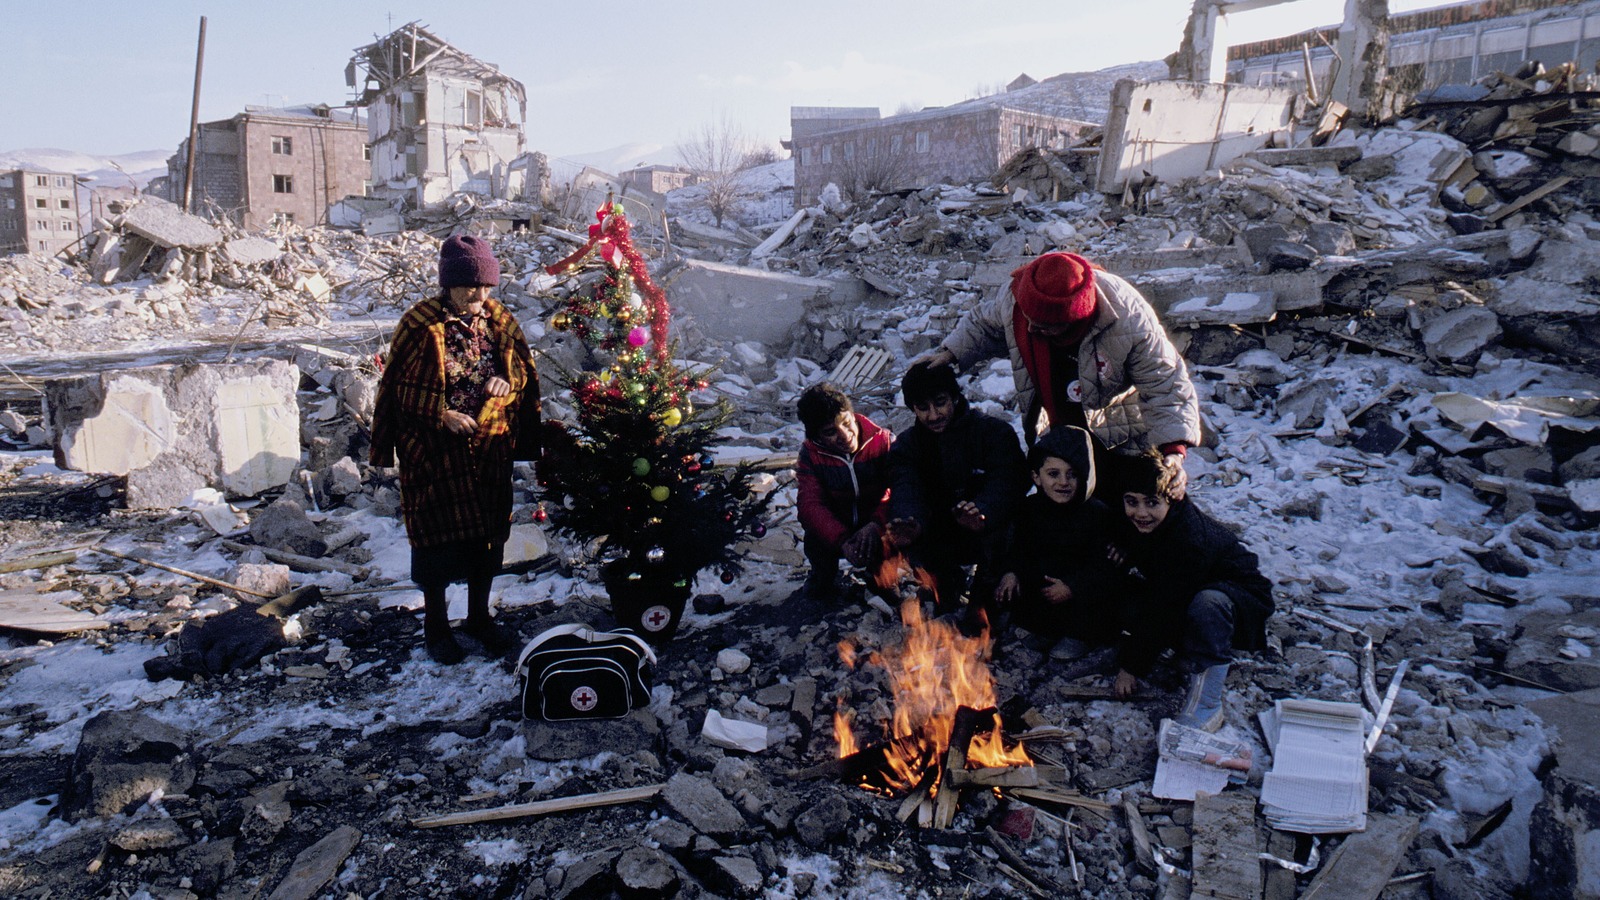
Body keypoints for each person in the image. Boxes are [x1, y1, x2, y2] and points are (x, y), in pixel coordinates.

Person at [371, 234, 538, 665]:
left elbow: (522, 371)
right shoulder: (420, 323)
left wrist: (507, 381)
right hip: (434, 452)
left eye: (486, 288)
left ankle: (480, 618)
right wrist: (440, 413)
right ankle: (436, 628)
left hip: (488, 450)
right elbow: (396, 391)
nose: (479, 297)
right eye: (470, 288)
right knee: (435, 545)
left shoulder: (499, 319)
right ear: (448, 284)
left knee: (487, 538)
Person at [919, 251, 1201, 495]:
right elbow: (984, 324)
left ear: (1073, 319)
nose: (1030, 330)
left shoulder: (1127, 315)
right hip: (1058, 424)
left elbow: (1165, 384)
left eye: (1043, 326)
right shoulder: (1016, 297)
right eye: (1028, 320)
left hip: (1116, 428)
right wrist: (951, 352)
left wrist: (1173, 450)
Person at [1108, 451, 1273, 731]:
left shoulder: (1188, 539)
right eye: (1131, 502)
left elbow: (1165, 605)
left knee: (1207, 604)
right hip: (1186, 590)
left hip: (1238, 599)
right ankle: (1185, 649)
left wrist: (1131, 667)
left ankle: (1207, 703)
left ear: (1171, 499)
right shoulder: (1138, 521)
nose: (1141, 513)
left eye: (1152, 503)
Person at [885, 364, 1028, 622]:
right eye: (922, 408)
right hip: (941, 529)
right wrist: (910, 521)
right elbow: (906, 488)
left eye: (940, 403)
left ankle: (985, 601)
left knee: (1004, 532)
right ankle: (944, 585)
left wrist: (983, 511)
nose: (933, 415)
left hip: (986, 529)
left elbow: (1010, 481)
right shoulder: (907, 447)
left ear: (955, 397)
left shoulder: (994, 432)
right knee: (912, 532)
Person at [993, 425, 1120, 655]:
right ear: (1036, 477)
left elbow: (1104, 566)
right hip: (1046, 591)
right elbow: (1019, 548)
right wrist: (1011, 571)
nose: (1063, 482)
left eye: (1073, 474)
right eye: (1054, 474)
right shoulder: (1030, 510)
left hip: (1080, 596)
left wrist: (1073, 586)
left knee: (1100, 599)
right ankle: (1042, 629)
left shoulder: (1097, 514)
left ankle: (1080, 637)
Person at [795, 382, 894, 604]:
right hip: (838, 528)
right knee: (815, 540)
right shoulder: (811, 455)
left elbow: (899, 488)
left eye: (846, 423)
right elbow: (809, 505)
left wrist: (877, 524)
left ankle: (881, 575)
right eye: (831, 432)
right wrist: (842, 540)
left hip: (875, 525)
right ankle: (823, 577)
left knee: (895, 533)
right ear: (817, 436)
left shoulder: (883, 441)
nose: (845, 435)